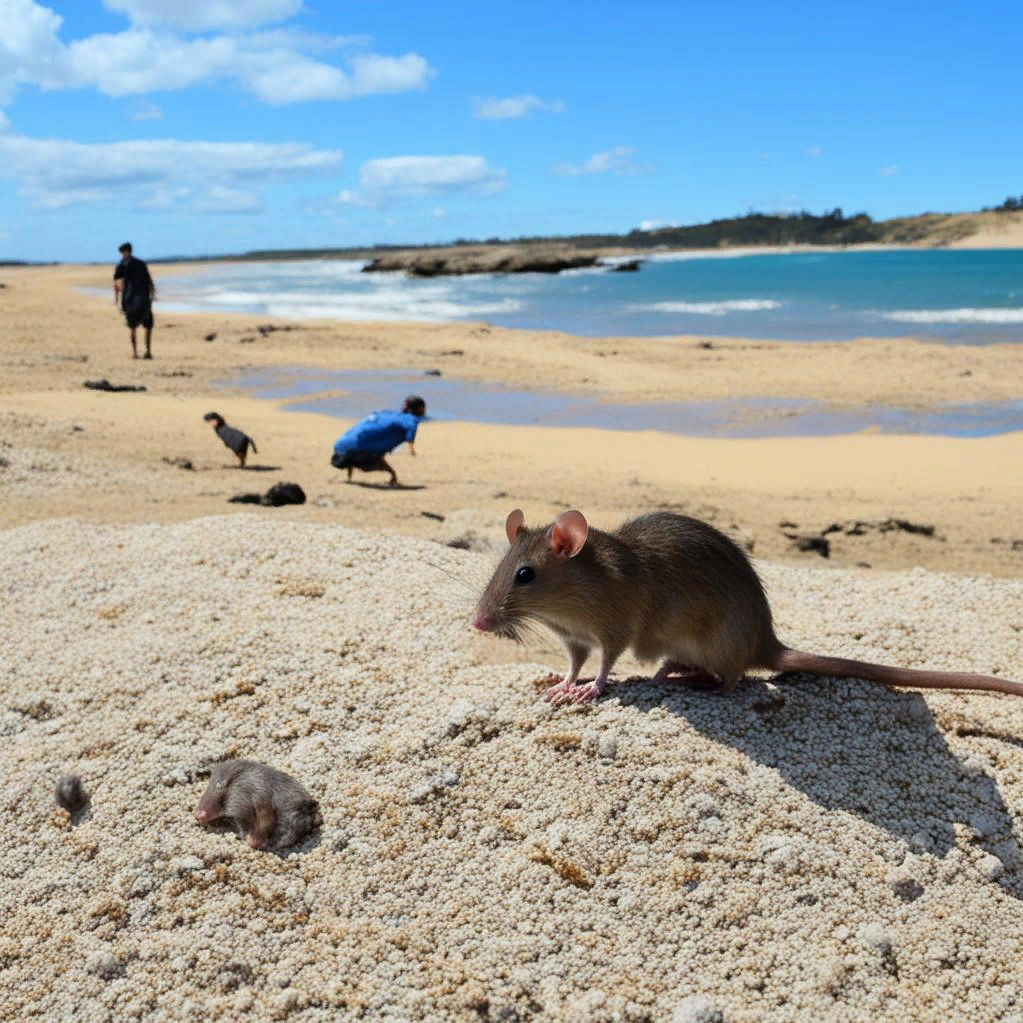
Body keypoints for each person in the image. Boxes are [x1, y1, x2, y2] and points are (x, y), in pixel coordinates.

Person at [331, 395, 426, 486]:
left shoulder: (386, 413)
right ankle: (391, 476)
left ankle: (350, 464)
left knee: (376, 444)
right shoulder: (411, 419)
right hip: (358, 452)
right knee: (379, 454)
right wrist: (412, 450)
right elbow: (410, 437)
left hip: (339, 446)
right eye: (423, 408)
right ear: (419, 409)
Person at [113, 241, 156, 359]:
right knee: (147, 326)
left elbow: (117, 283)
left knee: (133, 327)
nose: (121, 254)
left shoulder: (121, 265)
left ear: (126, 251)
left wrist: (117, 298)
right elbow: (149, 280)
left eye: (122, 252)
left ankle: (135, 353)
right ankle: (147, 352)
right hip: (143, 299)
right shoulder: (140, 263)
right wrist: (153, 294)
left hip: (130, 300)